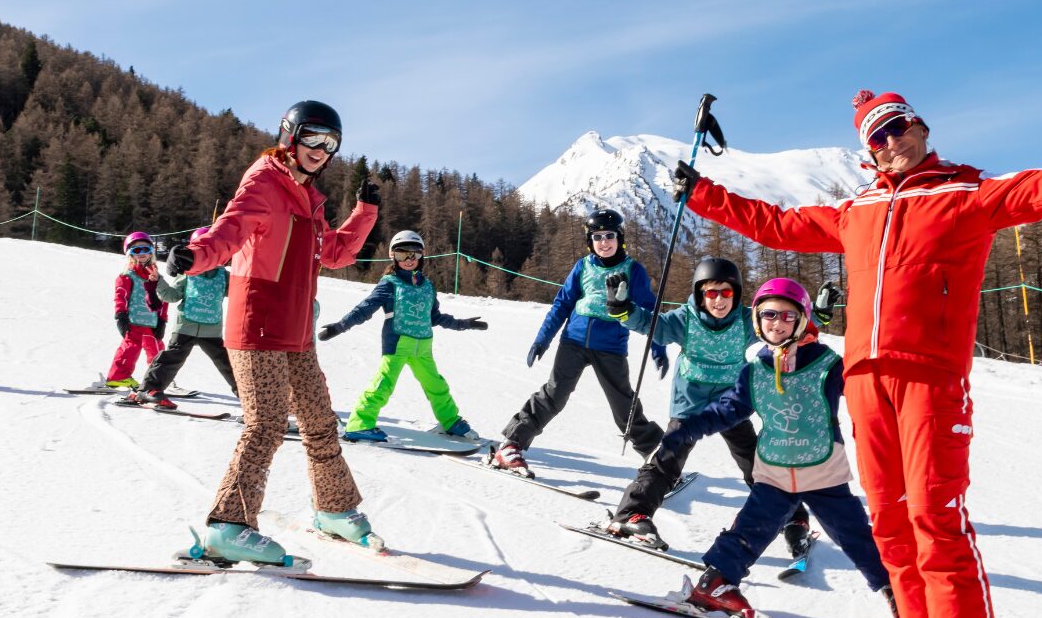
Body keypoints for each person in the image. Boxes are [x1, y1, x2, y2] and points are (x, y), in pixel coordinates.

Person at [673, 81, 1042, 618]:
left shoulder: (964, 195)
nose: (891, 140)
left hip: (931, 380)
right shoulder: (855, 212)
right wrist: (701, 193)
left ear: (922, 129)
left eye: (899, 126)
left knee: (936, 521)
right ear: (867, 152)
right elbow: (776, 223)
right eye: (877, 135)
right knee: (889, 526)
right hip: (868, 382)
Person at [165, 100, 379, 565]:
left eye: (331, 143)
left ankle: (334, 509)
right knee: (264, 425)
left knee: (321, 423)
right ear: (290, 135)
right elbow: (230, 229)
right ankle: (228, 527)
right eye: (314, 138)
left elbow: (336, 253)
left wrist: (365, 212)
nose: (322, 150)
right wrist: (195, 255)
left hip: (297, 328)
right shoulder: (264, 181)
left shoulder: (308, 197)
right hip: (258, 320)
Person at [658, 278, 894, 618]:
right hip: (774, 472)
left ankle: (901, 598)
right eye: (769, 315)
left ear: (801, 320)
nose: (777, 322)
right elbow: (727, 409)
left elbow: (867, 390)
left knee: (857, 537)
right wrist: (685, 430)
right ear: (757, 320)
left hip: (824, 472)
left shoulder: (827, 364)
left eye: (787, 316)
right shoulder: (754, 370)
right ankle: (716, 585)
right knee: (747, 530)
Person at [600, 256, 810, 552]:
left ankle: (792, 517)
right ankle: (632, 515)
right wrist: (622, 310)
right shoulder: (686, 319)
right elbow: (652, 325)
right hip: (691, 403)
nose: (719, 300)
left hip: (730, 403)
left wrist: (818, 316)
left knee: (757, 461)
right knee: (667, 460)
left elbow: (782, 326)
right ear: (700, 294)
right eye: (711, 293)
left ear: (736, 293)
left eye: (726, 292)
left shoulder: (746, 321)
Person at [488, 209, 667, 475]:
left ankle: (657, 456)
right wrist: (542, 339)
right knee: (553, 395)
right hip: (573, 340)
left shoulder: (633, 270)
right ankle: (511, 444)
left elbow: (650, 312)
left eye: (609, 236)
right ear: (589, 240)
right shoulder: (583, 266)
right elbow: (562, 304)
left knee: (623, 404)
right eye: (597, 237)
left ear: (620, 238)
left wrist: (658, 347)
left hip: (610, 346)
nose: (604, 242)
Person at [318, 229, 488, 441]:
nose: (408, 260)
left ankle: (451, 421)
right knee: (383, 384)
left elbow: (434, 317)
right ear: (393, 257)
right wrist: (340, 326)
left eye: (414, 254)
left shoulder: (427, 286)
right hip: (397, 343)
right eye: (402, 254)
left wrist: (462, 324)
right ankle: (360, 424)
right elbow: (365, 308)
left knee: (437, 386)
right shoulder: (390, 283)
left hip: (423, 346)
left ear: (421, 256)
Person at [124, 226, 237, 409]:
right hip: (185, 326)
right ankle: (149, 390)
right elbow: (172, 296)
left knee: (228, 364)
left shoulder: (224, 276)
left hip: (212, 329)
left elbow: (237, 293)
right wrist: (157, 281)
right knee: (171, 358)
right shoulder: (188, 273)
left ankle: (249, 397)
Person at [102, 232, 167, 389]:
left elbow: (163, 299)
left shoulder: (156, 277)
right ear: (130, 253)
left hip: (152, 322)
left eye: (145, 249)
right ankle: (118, 376)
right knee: (130, 349)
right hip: (133, 321)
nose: (142, 254)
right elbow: (120, 297)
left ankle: (159, 378)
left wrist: (162, 320)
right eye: (137, 251)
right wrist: (121, 316)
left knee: (158, 350)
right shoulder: (127, 276)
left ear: (151, 251)